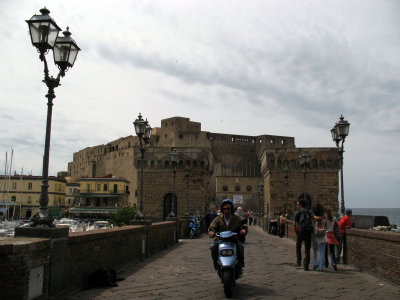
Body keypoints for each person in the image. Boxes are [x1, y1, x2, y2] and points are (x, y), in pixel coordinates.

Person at [209, 199, 248, 271]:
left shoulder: (237, 218)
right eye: (225, 209)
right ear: (222, 209)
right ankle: (215, 263)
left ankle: (241, 264)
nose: (227, 210)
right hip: (221, 240)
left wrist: (243, 230)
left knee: (240, 247)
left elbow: (243, 225)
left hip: (234, 239)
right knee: (213, 247)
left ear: (232, 209)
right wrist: (211, 232)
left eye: (228, 209)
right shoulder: (218, 219)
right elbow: (212, 227)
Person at [294, 200, 314, 271]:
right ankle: (306, 265)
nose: (297, 205)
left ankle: (299, 262)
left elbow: (294, 223)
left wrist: (296, 230)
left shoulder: (298, 212)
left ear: (301, 205)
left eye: (298, 204)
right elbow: (312, 221)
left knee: (298, 246)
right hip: (308, 232)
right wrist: (312, 230)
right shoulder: (309, 212)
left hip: (301, 232)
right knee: (307, 249)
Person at [312, 203, 326, 271]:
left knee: (315, 250)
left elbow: (312, 225)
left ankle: (315, 264)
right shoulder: (324, 218)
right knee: (322, 251)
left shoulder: (313, 218)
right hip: (322, 234)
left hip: (315, 233)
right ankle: (320, 267)